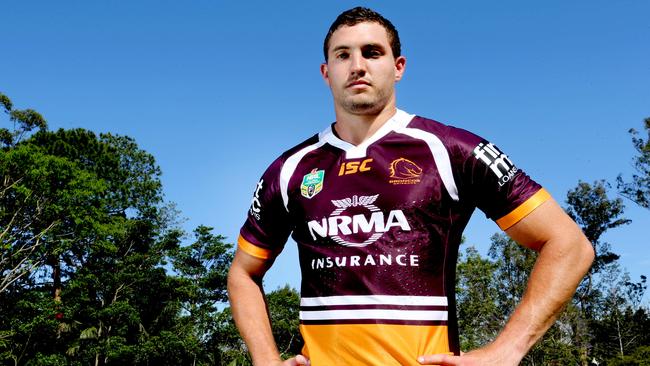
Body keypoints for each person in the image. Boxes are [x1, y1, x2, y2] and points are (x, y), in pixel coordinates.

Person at [227, 6, 594, 366]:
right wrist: (265, 359)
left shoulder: (451, 150)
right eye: (343, 55)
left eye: (372, 52)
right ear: (326, 72)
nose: (358, 65)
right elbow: (243, 272)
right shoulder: (290, 170)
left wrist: (505, 352)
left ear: (398, 67)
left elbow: (569, 245)